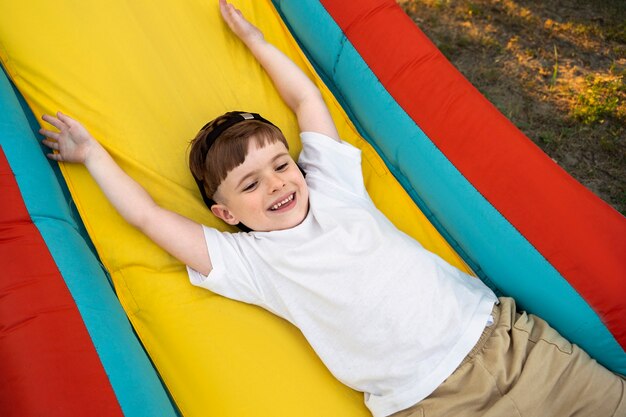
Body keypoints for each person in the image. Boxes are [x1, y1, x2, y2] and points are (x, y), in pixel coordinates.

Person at [40, 1, 625, 416]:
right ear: (226, 214)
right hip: (433, 403)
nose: (275, 185)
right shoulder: (250, 262)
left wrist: (257, 43)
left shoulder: (333, 184)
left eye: (279, 164)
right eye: (250, 186)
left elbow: (304, 98)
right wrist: (91, 154)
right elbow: (146, 217)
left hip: (513, 348)